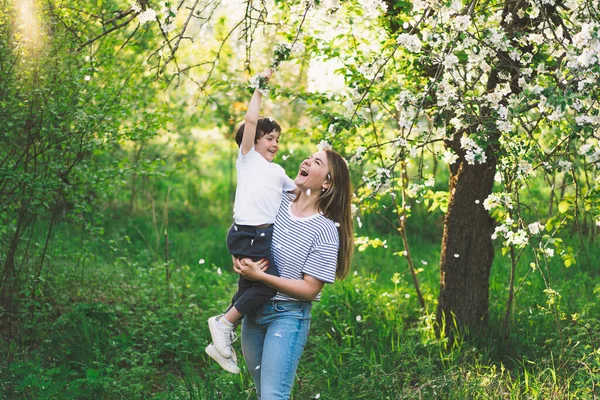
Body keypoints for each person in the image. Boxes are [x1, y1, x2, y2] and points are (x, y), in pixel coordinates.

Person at [233, 148, 354, 400]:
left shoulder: (325, 230)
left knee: (273, 397)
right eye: (309, 157)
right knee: (262, 393)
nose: (307, 161)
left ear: (327, 182)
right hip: (252, 310)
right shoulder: (277, 199)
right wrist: (241, 257)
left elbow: (310, 289)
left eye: (317, 162)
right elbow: (249, 228)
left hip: (287, 317)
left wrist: (262, 277)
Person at [205, 69, 296, 374]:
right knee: (268, 284)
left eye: (278, 140)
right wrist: (259, 89)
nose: (275, 144)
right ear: (254, 139)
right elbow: (252, 120)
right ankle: (223, 322)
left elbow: (299, 192)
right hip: (248, 234)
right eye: (270, 138)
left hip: (261, 236)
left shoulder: (278, 171)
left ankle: (220, 340)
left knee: (248, 284)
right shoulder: (248, 159)